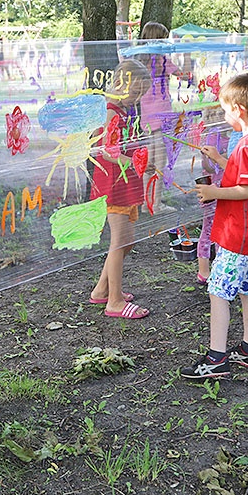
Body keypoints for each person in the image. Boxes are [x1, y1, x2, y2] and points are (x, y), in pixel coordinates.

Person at [180, 73, 248, 379]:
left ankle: (217, 358)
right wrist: (220, 158)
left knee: (218, 292)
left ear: (239, 110)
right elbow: (243, 175)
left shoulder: (247, 146)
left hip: (239, 236)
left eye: (225, 110)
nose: (223, 115)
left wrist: (213, 192)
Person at [89, 59, 153, 319]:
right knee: (120, 241)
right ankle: (114, 301)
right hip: (114, 182)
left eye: (140, 95)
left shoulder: (124, 110)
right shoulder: (111, 110)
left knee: (126, 242)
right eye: (135, 92)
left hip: (124, 181)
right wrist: (138, 164)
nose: (136, 98)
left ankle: (102, 289)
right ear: (121, 83)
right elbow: (108, 151)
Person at [137, 21, 190, 213]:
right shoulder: (162, 60)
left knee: (149, 163)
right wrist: (187, 54)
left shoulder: (138, 60)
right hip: (160, 117)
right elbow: (186, 76)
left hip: (146, 118)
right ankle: (156, 204)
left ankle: (146, 203)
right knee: (159, 163)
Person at [195, 103, 228, 285]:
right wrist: (218, 157)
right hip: (212, 189)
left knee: (220, 229)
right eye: (219, 114)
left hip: (222, 189)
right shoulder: (213, 135)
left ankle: (217, 268)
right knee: (209, 230)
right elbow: (207, 166)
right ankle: (204, 271)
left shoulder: (224, 135)